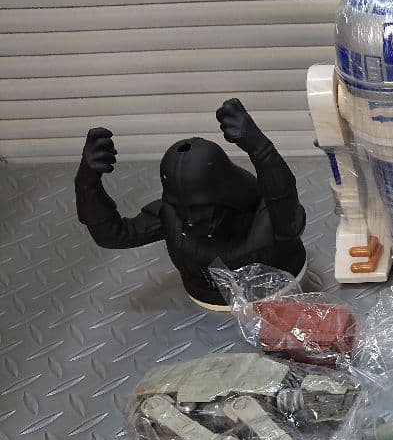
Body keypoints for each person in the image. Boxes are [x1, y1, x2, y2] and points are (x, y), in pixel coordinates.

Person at [75, 99, 306, 310]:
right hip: (206, 301)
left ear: (228, 196)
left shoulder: (267, 216)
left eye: (202, 210)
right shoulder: (173, 216)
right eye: (184, 209)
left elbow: (284, 200)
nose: (193, 220)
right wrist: (87, 184)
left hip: (281, 293)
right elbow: (113, 235)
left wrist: (262, 150)